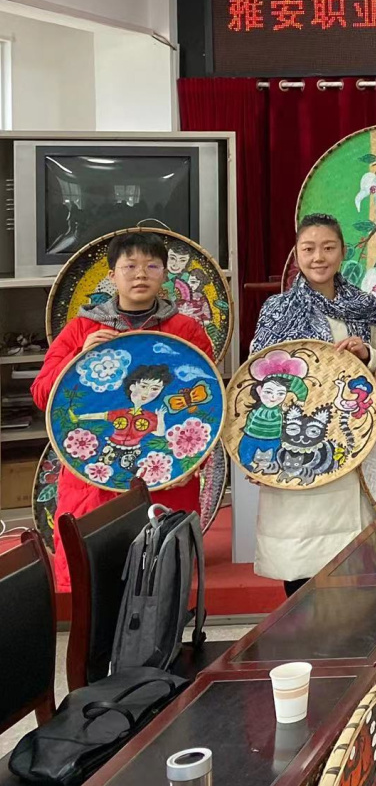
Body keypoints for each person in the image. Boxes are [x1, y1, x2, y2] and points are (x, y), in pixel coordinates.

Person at [32, 232, 215, 588]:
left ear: (165, 274)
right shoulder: (82, 328)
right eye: (129, 266)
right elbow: (42, 394)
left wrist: (194, 462)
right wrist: (78, 357)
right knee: (96, 584)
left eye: (151, 266)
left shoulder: (185, 331)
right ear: (111, 275)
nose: (140, 274)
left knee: (162, 586)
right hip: (94, 480)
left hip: (165, 477)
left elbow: (206, 403)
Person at [250, 214, 376, 597]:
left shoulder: (365, 305)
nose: (318, 257)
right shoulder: (277, 308)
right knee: (300, 551)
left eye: (328, 248)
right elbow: (256, 379)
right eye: (309, 249)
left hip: (351, 439)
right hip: (294, 442)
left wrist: (366, 354)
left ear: (343, 252)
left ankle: (356, 625)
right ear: (296, 254)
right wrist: (258, 446)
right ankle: (302, 624)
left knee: (355, 552)